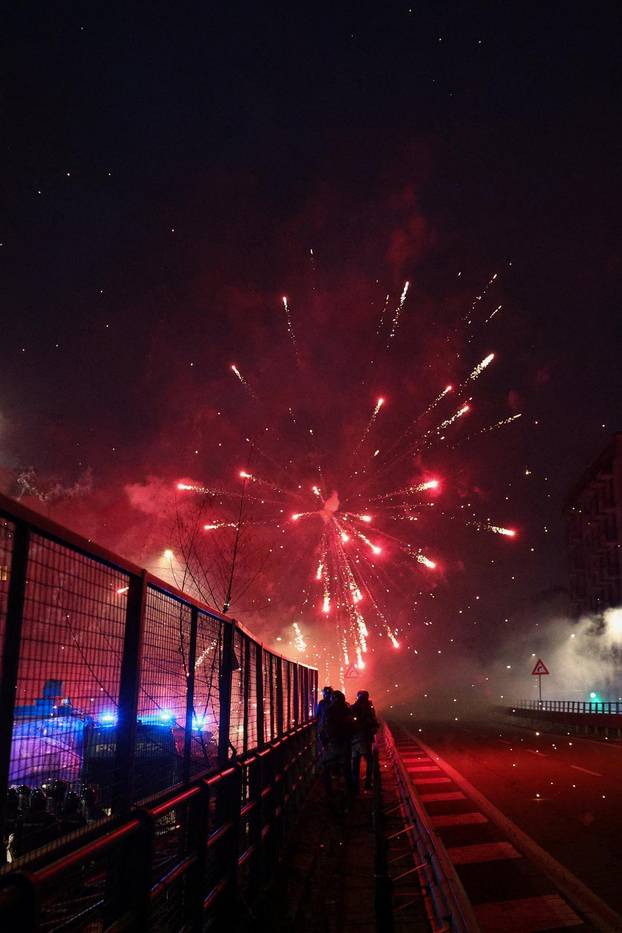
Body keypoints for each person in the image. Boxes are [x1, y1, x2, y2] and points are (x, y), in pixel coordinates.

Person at [320, 690, 353, 796]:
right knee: (347, 768)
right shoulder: (347, 710)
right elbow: (352, 726)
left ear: (333, 699)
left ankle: (328, 792)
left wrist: (324, 742)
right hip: (345, 742)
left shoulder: (329, 711)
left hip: (332, 743)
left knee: (326, 767)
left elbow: (323, 728)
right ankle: (350, 792)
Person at [350, 690, 379, 792]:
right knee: (370, 761)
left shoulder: (353, 707)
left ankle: (355, 786)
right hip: (365, 739)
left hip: (354, 740)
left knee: (355, 763)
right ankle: (368, 783)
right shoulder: (369, 708)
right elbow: (374, 722)